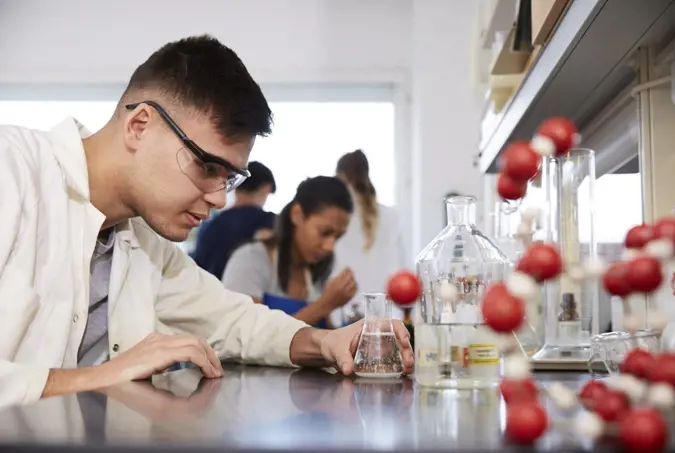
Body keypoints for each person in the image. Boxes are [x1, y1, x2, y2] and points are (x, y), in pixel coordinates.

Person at [0, 35, 414, 409]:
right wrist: (96, 378)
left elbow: (233, 319)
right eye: (206, 165)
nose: (220, 198)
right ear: (139, 125)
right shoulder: (12, 172)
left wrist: (326, 341)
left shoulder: (143, 241)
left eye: (230, 177)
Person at [222, 176, 357, 328]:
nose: (329, 246)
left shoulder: (316, 270)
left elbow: (322, 335)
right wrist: (325, 304)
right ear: (297, 215)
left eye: (338, 237)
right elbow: (245, 339)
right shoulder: (250, 259)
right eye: (324, 232)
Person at [332, 150, 409, 326]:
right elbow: (403, 270)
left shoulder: (338, 218)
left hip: (344, 314)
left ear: (340, 176)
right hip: (385, 315)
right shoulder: (391, 216)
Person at [191, 161, 277, 278]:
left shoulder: (209, 221)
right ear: (266, 188)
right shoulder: (268, 221)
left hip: (204, 291)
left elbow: (197, 263)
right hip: (242, 293)